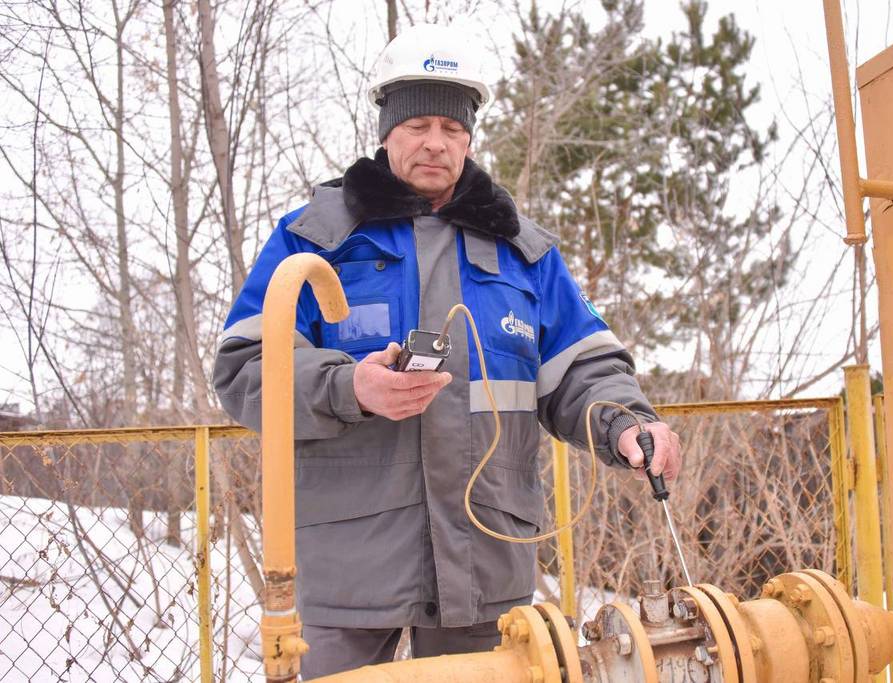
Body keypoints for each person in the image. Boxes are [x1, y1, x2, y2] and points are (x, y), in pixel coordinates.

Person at [213, 23, 682, 678]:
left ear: (469, 139)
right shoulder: (313, 240)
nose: (436, 141)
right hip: (348, 570)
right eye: (418, 124)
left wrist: (624, 422)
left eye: (452, 127)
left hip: (485, 562)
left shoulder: (524, 253)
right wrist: (349, 387)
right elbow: (243, 368)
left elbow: (583, 364)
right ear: (387, 132)